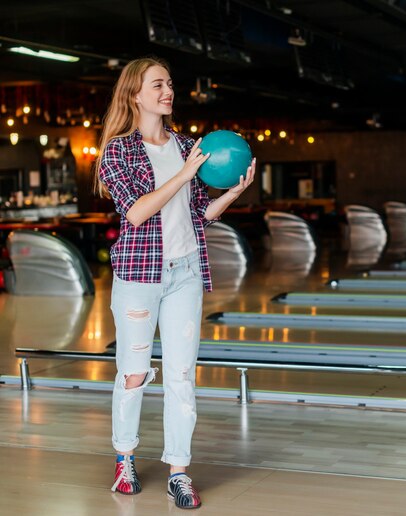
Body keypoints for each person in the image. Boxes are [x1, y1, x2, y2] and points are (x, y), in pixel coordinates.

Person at [95, 56, 255, 509]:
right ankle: (124, 459)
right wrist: (184, 174)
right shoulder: (118, 152)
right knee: (133, 374)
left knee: (183, 376)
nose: (168, 91)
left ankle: (178, 471)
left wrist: (231, 194)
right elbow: (136, 212)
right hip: (138, 278)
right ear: (135, 94)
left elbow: (199, 213)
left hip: (185, 272)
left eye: (170, 83)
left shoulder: (189, 146)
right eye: (158, 84)